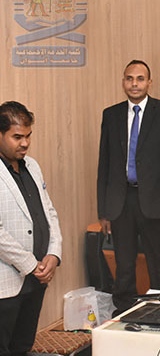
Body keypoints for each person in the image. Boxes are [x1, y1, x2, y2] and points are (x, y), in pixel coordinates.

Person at [98, 60, 160, 314]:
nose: (134, 84)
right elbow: (104, 165)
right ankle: (124, 312)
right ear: (123, 82)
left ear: (149, 82)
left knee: (159, 264)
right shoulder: (111, 115)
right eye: (129, 78)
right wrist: (103, 211)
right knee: (124, 265)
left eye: (140, 79)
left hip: (155, 202)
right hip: (120, 201)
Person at [0, 101, 62, 356]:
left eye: (28, 136)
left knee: (23, 346)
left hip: (36, 280)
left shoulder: (32, 166)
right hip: (7, 282)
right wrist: (29, 264)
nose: (25, 143)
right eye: (17, 137)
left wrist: (54, 254)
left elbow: (49, 212)